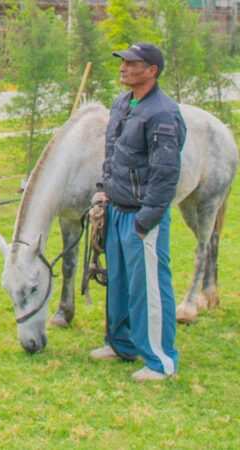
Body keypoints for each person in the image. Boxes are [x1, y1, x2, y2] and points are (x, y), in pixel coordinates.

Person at [89, 43, 185, 382]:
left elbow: (165, 174)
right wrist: (102, 191)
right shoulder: (122, 104)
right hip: (115, 207)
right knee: (119, 283)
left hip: (143, 215)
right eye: (123, 62)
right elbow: (113, 154)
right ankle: (121, 344)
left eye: (133, 63)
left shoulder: (162, 114)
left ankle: (160, 361)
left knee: (149, 288)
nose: (124, 68)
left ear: (152, 71)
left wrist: (146, 220)